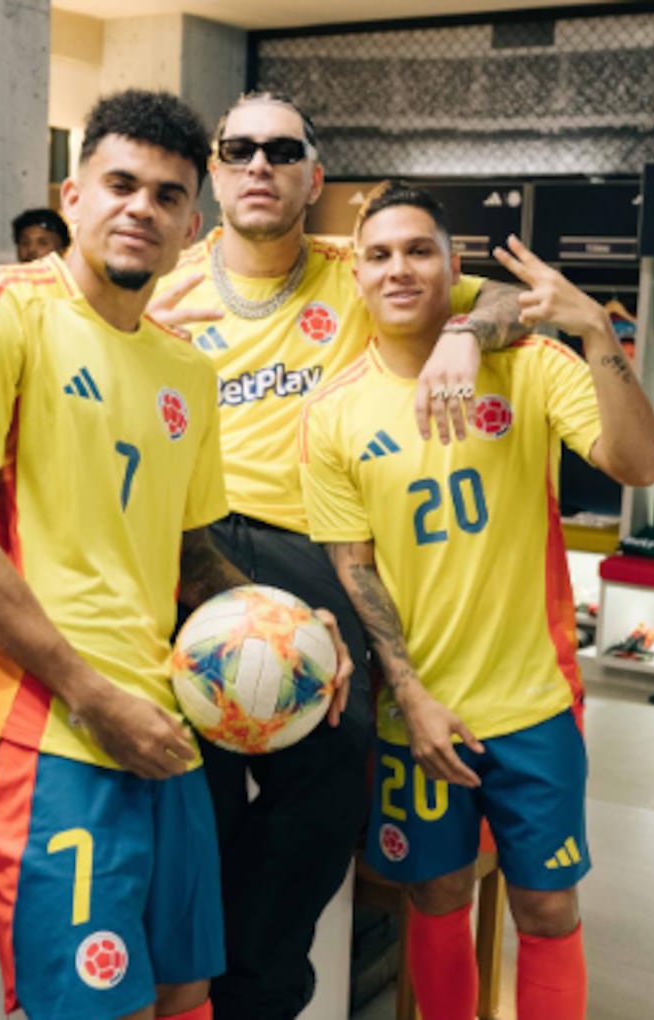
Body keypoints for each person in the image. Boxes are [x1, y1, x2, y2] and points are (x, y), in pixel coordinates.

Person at [0, 89, 351, 1020]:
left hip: (162, 724)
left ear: (193, 221)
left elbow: (191, 553)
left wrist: (292, 629)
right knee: (92, 1009)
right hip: (45, 725)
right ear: (71, 196)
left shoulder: (186, 367)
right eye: (119, 184)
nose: (139, 209)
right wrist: (92, 693)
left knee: (186, 995)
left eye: (165, 194)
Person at [146, 92, 529, 1020]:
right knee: (184, 776)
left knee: (330, 757)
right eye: (239, 149)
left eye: (283, 151)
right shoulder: (166, 285)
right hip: (182, 550)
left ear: (315, 177)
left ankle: (259, 984)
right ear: (213, 173)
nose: (260, 166)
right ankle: (189, 986)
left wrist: (467, 337)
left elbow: (525, 299)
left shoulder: (352, 270)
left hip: (309, 550)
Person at [298, 182, 654, 1020]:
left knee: (546, 907)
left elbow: (640, 466)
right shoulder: (333, 415)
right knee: (436, 898)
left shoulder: (530, 365)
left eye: (418, 250)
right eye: (379, 255)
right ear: (356, 277)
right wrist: (413, 696)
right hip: (417, 712)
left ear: (452, 268)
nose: (399, 269)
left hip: (535, 704)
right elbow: (357, 572)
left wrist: (595, 328)